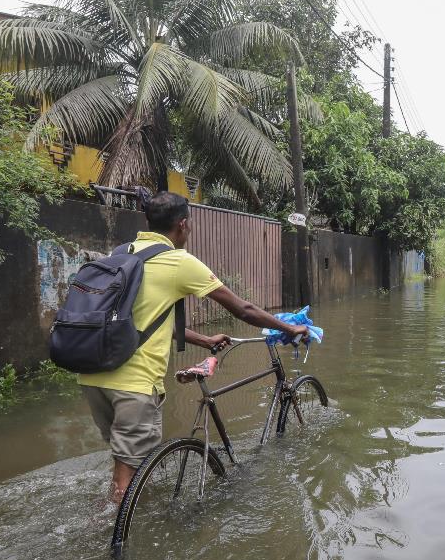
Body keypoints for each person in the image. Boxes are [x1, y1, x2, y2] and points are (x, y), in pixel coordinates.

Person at [78, 190, 308, 503]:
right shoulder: (178, 261)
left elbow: (149, 321)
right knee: (125, 479)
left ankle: (131, 513)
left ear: (148, 221)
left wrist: (204, 339)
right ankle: (109, 539)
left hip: (93, 376)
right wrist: (289, 327)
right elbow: (244, 310)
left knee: (126, 461)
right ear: (184, 225)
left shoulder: (123, 253)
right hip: (134, 383)